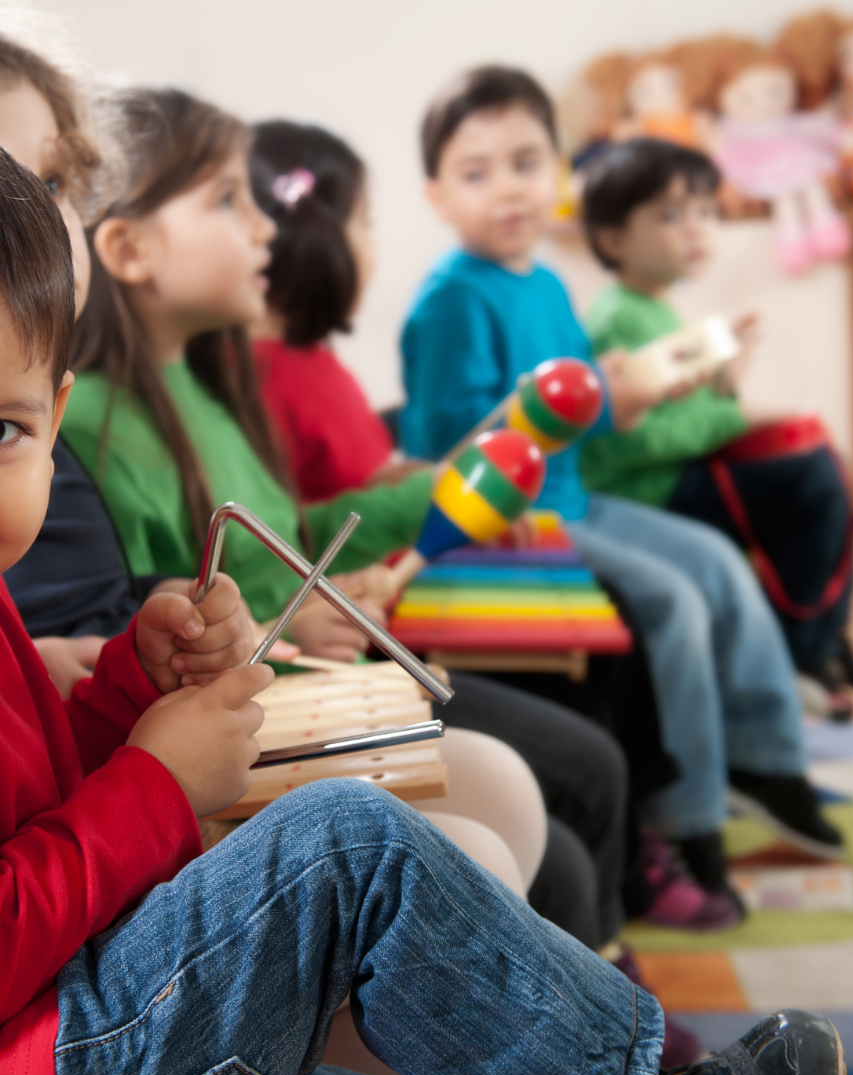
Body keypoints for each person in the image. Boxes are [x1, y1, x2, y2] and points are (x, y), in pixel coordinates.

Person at [0, 142, 847, 1075]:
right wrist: (156, 781)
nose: (267, 229)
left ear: (54, 416)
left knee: (479, 796)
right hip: (56, 1039)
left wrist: (130, 696)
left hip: (76, 987)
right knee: (349, 841)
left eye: (3, 430)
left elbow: (32, 801)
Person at [0, 26, 549, 906]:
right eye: (230, 200)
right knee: (489, 826)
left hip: (154, 778)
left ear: (49, 411)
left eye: (58, 185)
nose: (269, 229)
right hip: (123, 878)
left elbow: (64, 741)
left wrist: (148, 667)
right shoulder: (99, 425)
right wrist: (232, 681)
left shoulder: (199, 398)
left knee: (508, 798)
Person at [246, 116, 735, 937]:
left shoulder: (318, 363)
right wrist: (446, 476)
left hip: (402, 580)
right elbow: (307, 521)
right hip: (383, 612)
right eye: (367, 222)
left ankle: (647, 842)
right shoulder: (277, 372)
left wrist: (414, 478)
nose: (374, 241)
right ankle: (632, 877)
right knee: (607, 662)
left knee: (616, 640)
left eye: (525, 162)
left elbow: (362, 474)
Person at [400, 66, 844, 897]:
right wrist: (602, 395)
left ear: (560, 173)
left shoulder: (549, 282)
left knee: (715, 560)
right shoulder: (452, 301)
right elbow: (451, 447)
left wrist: (647, 386)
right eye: (476, 171)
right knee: (673, 599)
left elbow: (588, 405)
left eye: (528, 162)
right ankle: (689, 813)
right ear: (437, 195)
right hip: (516, 522)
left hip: (574, 500)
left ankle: (766, 759)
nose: (508, 188)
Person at [577, 137, 853, 711]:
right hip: (646, 490)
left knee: (821, 467)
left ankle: (821, 635)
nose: (696, 229)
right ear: (614, 238)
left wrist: (725, 380)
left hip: (675, 475)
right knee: (812, 479)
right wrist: (736, 413)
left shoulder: (656, 307)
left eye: (706, 212)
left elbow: (683, 411)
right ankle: (804, 646)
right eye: (671, 215)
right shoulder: (618, 318)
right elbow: (635, 441)